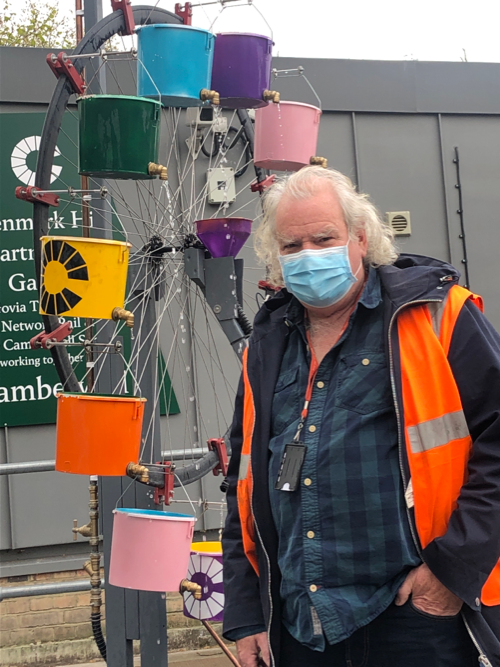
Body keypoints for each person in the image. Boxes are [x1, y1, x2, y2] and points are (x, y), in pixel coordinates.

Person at [221, 166, 500, 667]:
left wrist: (452, 571)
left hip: (416, 616)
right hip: (302, 625)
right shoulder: (265, 347)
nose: (308, 256)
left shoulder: (437, 315)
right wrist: (247, 612)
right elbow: (242, 483)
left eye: (323, 238)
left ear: (362, 237)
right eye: (291, 246)